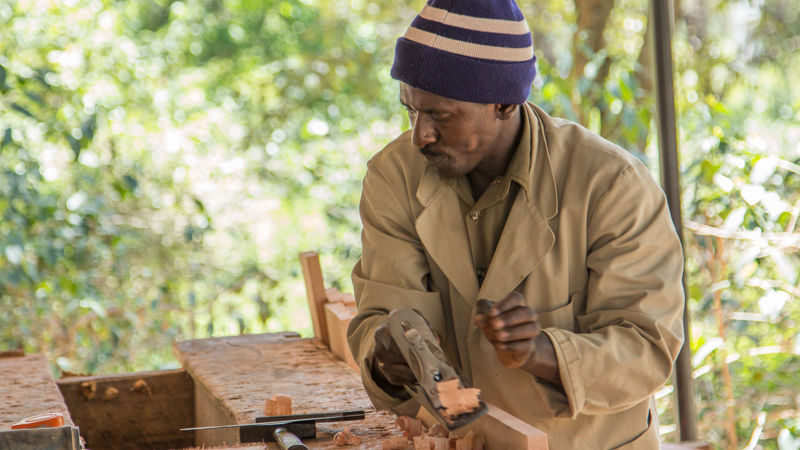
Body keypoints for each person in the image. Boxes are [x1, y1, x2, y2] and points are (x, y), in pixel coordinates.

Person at [346, 0, 685, 448]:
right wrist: (387, 357)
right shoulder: (395, 175)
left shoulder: (611, 184)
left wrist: (542, 353)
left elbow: (646, 351)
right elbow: (389, 318)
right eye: (411, 111)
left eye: (440, 116)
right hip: (461, 438)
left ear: (504, 103)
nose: (420, 135)